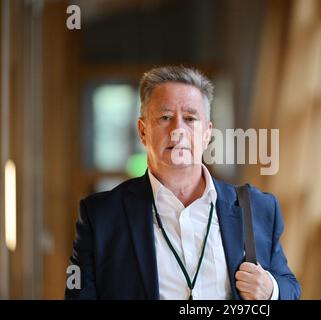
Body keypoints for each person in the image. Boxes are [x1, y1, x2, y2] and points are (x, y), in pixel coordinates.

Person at [65, 66, 300, 300]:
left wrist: (271, 289)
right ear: (143, 131)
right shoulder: (101, 216)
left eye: (190, 118)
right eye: (165, 117)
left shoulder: (257, 207)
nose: (178, 129)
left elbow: (290, 287)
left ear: (207, 134)